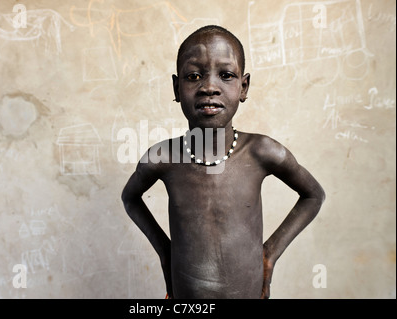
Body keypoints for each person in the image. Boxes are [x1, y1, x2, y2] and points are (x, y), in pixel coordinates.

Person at [121, 25, 325, 299]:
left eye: (226, 75)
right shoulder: (163, 157)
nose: (209, 87)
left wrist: (269, 255)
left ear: (243, 86)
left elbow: (313, 195)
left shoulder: (261, 151)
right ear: (176, 87)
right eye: (193, 76)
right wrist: (165, 253)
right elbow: (130, 197)